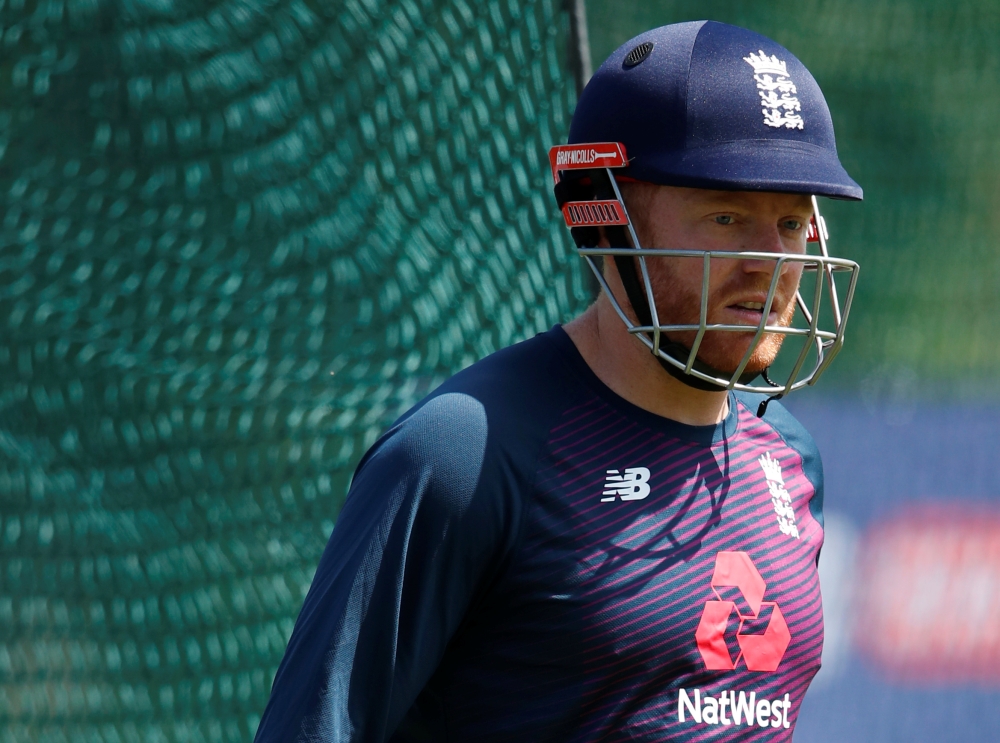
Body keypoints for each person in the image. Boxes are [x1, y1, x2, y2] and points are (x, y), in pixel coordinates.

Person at [254, 20, 862, 742]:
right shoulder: (463, 453)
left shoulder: (790, 458)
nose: (771, 261)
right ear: (605, 219)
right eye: (727, 216)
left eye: (792, 224)